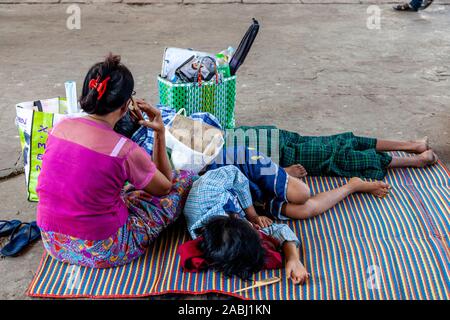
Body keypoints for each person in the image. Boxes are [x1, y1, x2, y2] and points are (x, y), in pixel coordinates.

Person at [36, 54, 194, 268]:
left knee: (121, 186)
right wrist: (159, 133)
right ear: (126, 105)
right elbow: (164, 187)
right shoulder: (124, 149)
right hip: (103, 249)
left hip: (53, 242)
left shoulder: (59, 127)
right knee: (183, 180)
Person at [183, 165, 309, 284]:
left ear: (236, 217)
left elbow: (234, 172)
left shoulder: (207, 192)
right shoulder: (224, 242)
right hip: (255, 198)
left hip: (236, 167)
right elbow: (281, 229)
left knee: (302, 193)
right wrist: (293, 259)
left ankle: (282, 170)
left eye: (253, 228)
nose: (258, 227)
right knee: (304, 210)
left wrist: (252, 215)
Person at [225, 126, 438, 181]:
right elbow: (239, 173)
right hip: (283, 157)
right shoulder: (204, 165)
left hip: (275, 138)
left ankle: (411, 145)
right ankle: (415, 160)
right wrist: (281, 172)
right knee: (340, 157)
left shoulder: (197, 128)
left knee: (345, 139)